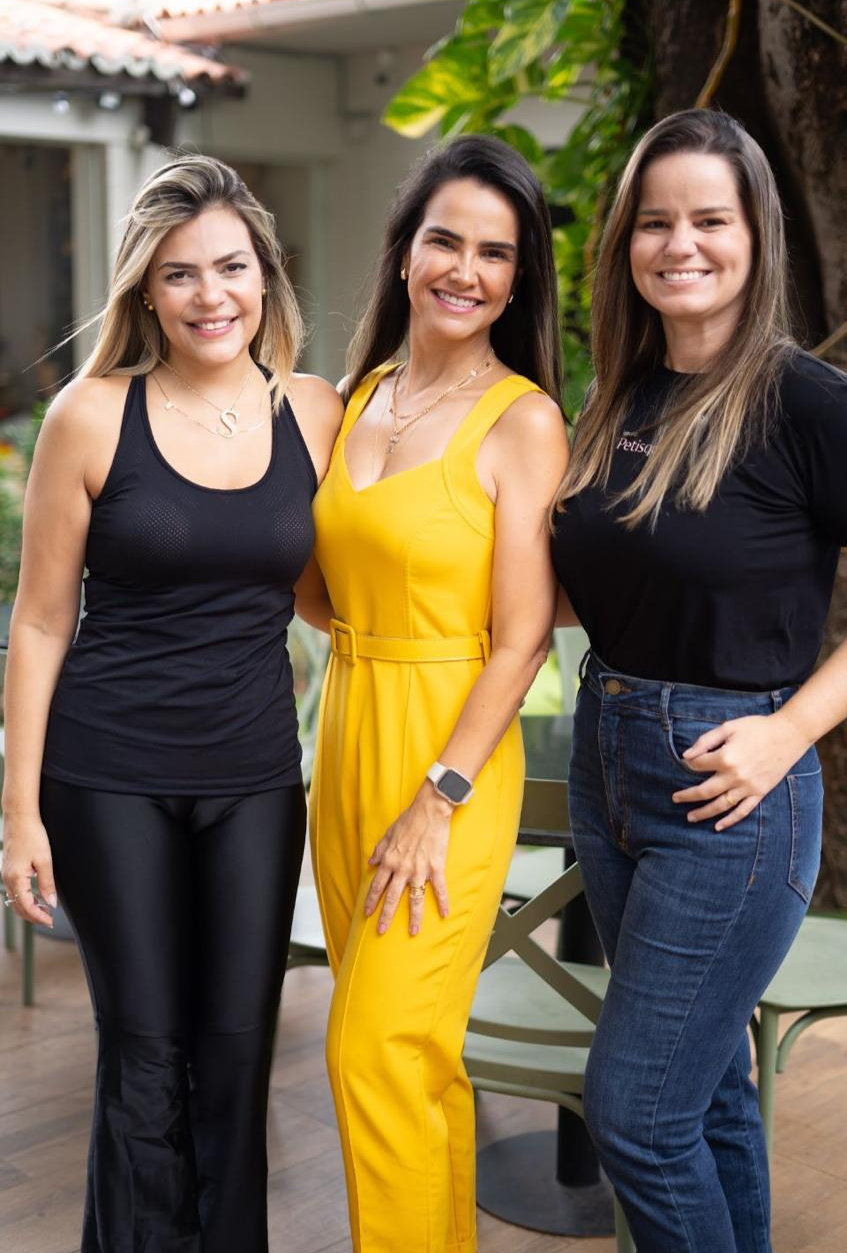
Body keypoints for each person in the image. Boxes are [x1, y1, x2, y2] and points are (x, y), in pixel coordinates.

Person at [1, 154, 342, 1252]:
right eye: (180, 273)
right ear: (145, 290)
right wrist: (19, 813)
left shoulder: (315, 412)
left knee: (237, 1052)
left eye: (231, 267)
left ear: (265, 275)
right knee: (146, 1057)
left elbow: (338, 587)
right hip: (107, 777)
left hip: (254, 778)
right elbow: (40, 621)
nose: (211, 295)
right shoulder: (91, 415)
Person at [551, 108, 847, 1252]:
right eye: (655, 221)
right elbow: (595, 586)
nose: (680, 243)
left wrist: (788, 732)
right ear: (625, 240)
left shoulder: (803, 401)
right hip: (608, 759)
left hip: (731, 788)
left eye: (709, 220)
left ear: (754, 234)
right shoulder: (618, 396)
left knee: (635, 1112)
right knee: (708, 1088)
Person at [294, 134, 568, 1252]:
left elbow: (524, 636)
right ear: (404, 250)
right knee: (404, 1061)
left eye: (494, 253)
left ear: (518, 277)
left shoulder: (523, 419)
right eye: (445, 241)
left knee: (373, 1052)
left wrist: (438, 792)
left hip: (449, 759)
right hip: (345, 732)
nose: (465, 269)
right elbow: (313, 585)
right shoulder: (356, 395)